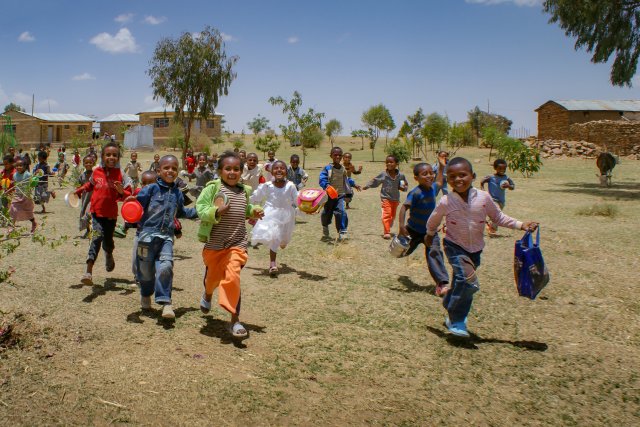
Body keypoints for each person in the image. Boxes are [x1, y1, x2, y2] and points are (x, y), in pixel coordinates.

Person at [425, 157, 538, 338]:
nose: (458, 180)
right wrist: (430, 234)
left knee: (461, 283)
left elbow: (498, 217)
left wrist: (521, 224)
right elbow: (434, 219)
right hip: (454, 246)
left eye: (463, 175)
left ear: (473, 176)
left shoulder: (484, 198)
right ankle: (457, 320)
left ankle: (449, 300)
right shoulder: (447, 201)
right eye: (452, 176)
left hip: (475, 249)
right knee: (468, 280)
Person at [196, 151, 264, 338]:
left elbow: (245, 209)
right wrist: (216, 211)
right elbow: (200, 208)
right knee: (212, 280)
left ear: (241, 172)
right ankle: (208, 294)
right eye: (228, 169)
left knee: (233, 276)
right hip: (214, 245)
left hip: (237, 243)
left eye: (236, 169)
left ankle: (234, 320)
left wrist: (254, 211)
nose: (232, 172)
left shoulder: (244, 191)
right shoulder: (212, 189)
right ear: (220, 171)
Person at [132, 157, 197, 318]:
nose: (170, 171)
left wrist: (203, 211)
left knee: (166, 266)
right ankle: (146, 294)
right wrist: (128, 218)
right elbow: (136, 207)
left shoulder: (178, 194)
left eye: (174, 168)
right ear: (158, 171)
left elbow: (182, 212)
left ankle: (166, 302)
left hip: (166, 238)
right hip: (146, 237)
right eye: (166, 167)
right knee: (145, 273)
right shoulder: (151, 189)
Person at [75, 142, 131, 285]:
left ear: (118, 158)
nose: (111, 157)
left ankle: (109, 254)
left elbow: (128, 196)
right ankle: (88, 271)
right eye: (108, 154)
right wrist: (80, 190)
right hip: (96, 214)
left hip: (111, 216)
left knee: (108, 242)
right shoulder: (97, 171)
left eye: (114, 155)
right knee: (96, 238)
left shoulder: (121, 175)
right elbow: (91, 185)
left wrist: (121, 191)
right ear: (102, 156)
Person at [398, 156, 449, 296]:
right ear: (416, 178)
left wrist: (441, 166)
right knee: (400, 251)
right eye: (424, 174)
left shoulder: (433, 188)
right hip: (413, 230)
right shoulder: (415, 193)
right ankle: (401, 254)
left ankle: (442, 283)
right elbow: (403, 208)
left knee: (434, 253)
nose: (429, 176)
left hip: (430, 232)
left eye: (430, 173)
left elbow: (439, 180)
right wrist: (402, 227)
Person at [250, 160, 298, 276]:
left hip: (287, 215)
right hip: (271, 214)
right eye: (276, 168)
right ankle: (272, 263)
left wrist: (307, 208)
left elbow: (297, 201)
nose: (279, 170)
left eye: (282, 168)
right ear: (271, 171)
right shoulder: (268, 186)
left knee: (284, 239)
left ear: (286, 172)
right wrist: (245, 201)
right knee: (274, 237)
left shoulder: (290, 186)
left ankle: (283, 242)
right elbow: (256, 196)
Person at [319, 146, 361, 241]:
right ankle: (325, 226)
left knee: (341, 212)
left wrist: (354, 184)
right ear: (331, 156)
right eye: (335, 155)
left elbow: (347, 179)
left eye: (339, 155)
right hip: (329, 197)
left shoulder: (343, 169)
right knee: (327, 213)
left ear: (342, 156)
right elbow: (322, 179)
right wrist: (327, 186)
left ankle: (342, 231)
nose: (337, 157)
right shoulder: (327, 168)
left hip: (340, 196)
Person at [363, 155, 408, 239]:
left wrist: (403, 188)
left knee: (392, 215)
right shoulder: (384, 174)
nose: (389, 164)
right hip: (385, 198)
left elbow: (404, 185)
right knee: (387, 213)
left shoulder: (401, 175)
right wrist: (368, 186)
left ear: (396, 164)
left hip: (395, 199)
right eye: (387, 162)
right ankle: (386, 232)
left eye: (391, 162)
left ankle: (388, 224)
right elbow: (375, 180)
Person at [480, 159, 515, 236]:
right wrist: (483, 190)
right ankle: (492, 230)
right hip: (492, 200)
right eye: (500, 169)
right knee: (497, 214)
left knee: (495, 215)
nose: (502, 170)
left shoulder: (506, 178)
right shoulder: (491, 177)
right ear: (495, 168)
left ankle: (489, 225)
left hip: (501, 201)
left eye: (504, 169)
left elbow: (513, 186)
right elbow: (482, 181)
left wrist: (508, 186)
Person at [9, 158, 36, 233]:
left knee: (28, 213)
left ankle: (34, 223)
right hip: (17, 195)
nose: (18, 167)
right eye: (17, 166)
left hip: (26, 196)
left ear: (24, 166)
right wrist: (12, 183)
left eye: (20, 165)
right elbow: (15, 183)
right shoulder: (15, 175)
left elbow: (32, 184)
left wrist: (34, 180)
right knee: (13, 209)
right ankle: (11, 226)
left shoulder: (28, 175)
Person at [77, 155, 95, 238]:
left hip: (94, 198)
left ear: (93, 163)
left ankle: (92, 231)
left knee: (90, 214)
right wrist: (78, 193)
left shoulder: (95, 174)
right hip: (85, 198)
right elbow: (79, 186)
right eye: (86, 163)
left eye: (90, 162)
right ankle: (88, 230)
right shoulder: (82, 176)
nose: (88, 164)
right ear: (83, 164)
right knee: (84, 213)